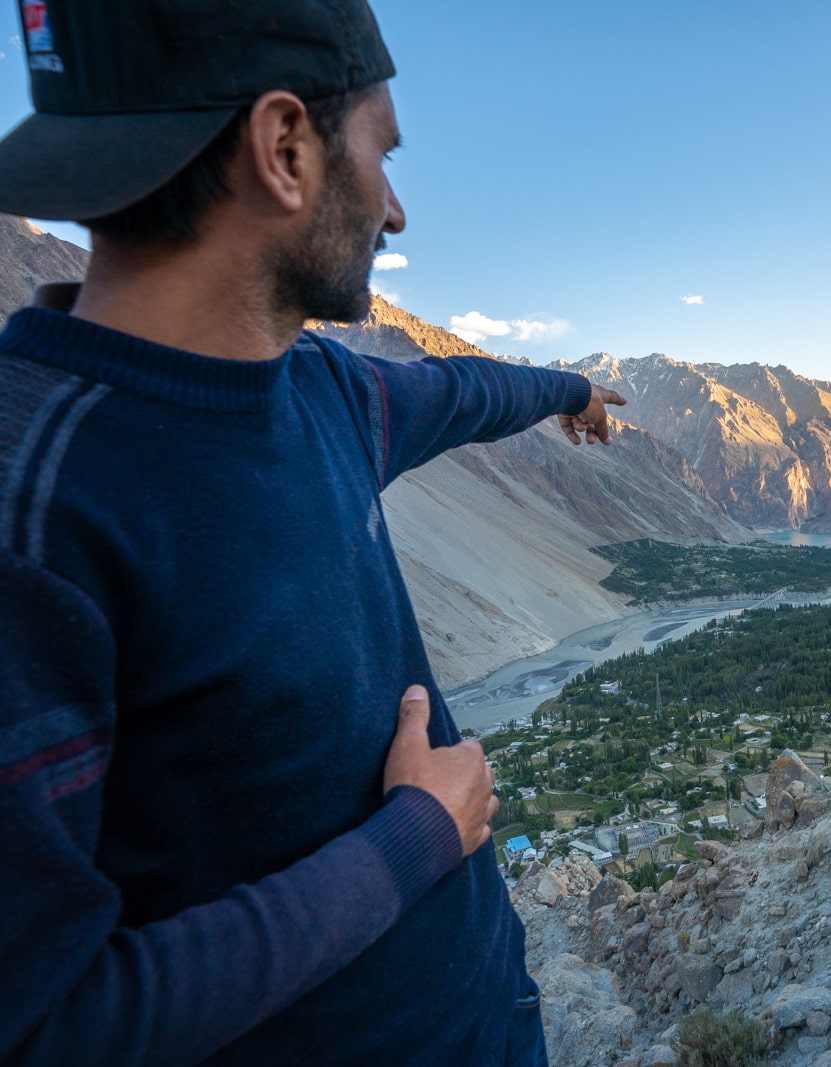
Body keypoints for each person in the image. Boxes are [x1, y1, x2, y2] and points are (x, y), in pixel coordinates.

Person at [0, 2, 625, 1063]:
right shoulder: (38, 513)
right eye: (382, 151)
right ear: (285, 149)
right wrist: (411, 843)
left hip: (485, 1023)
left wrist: (568, 387)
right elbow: (46, 1024)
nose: (394, 212)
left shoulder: (321, 391)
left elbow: (461, 390)